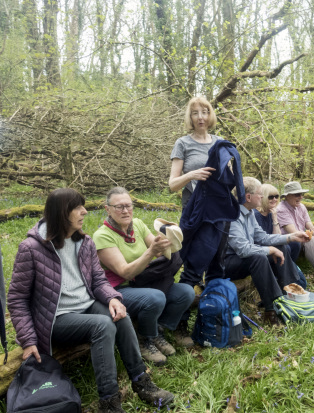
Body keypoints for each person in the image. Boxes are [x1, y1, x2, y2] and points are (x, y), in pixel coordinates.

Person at [8, 188, 174, 413]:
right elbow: (17, 298)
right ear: (60, 213)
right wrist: (28, 340)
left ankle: (142, 382)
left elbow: (98, 280)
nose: (84, 212)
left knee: (120, 316)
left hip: (85, 305)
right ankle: (109, 402)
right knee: (102, 325)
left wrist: (113, 298)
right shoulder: (31, 248)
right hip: (56, 317)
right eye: (77, 208)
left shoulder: (84, 243)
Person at [94, 187, 195, 364]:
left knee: (186, 292)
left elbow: (160, 252)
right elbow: (125, 272)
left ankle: (158, 330)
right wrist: (150, 252)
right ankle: (144, 339)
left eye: (128, 205)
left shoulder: (138, 225)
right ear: (107, 209)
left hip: (142, 281)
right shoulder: (102, 236)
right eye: (119, 207)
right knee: (155, 297)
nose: (125, 210)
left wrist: (170, 238)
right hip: (118, 291)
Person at [216, 177, 311, 326]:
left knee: (281, 247)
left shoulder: (249, 213)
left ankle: (289, 295)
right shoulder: (231, 215)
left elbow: (263, 237)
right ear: (248, 197)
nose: (262, 197)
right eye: (260, 194)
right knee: (259, 257)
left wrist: (292, 237)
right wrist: (269, 250)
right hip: (226, 264)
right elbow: (243, 249)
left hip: (244, 259)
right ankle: (271, 310)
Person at [169, 96, 220, 207]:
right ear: (190, 117)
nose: (200, 117)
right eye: (195, 113)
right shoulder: (182, 143)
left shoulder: (220, 142)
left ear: (209, 115)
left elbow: (230, 175)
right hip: (193, 204)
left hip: (218, 203)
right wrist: (191, 175)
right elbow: (172, 185)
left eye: (204, 112)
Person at [256, 183, 303, 278]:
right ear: (263, 198)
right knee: (285, 248)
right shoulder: (256, 215)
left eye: (276, 196)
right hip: (261, 248)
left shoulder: (271, 213)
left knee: (295, 244)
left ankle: (286, 269)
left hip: (271, 242)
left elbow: (278, 236)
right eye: (270, 197)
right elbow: (260, 240)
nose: (274, 199)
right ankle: (280, 273)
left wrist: (275, 218)